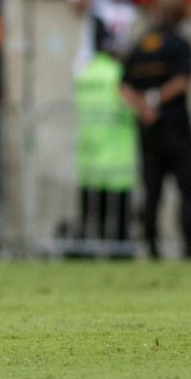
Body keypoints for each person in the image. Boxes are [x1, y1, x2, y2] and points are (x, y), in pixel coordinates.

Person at [120, 0, 191, 259]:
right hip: (176, 126)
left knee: (152, 190)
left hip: (147, 128)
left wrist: (142, 107)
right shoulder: (179, 43)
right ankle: (189, 247)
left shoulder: (140, 45)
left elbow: (123, 86)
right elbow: (181, 82)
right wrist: (154, 100)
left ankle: (152, 247)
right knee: (189, 187)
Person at [72, 25, 136, 257]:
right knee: (118, 208)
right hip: (116, 148)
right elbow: (129, 102)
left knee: (91, 206)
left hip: (88, 149)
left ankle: (89, 247)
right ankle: (120, 250)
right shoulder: (116, 72)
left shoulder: (84, 73)